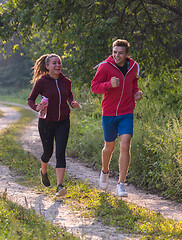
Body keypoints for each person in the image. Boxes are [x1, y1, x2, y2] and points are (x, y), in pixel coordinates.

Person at [91, 39, 143, 197]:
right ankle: (105, 171)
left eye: (120, 53)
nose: (116, 55)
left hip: (126, 112)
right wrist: (108, 84)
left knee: (125, 145)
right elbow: (94, 87)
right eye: (114, 52)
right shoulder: (105, 66)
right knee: (109, 147)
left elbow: (134, 82)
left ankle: (121, 184)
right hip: (109, 113)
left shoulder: (133, 66)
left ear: (127, 54)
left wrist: (136, 93)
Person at [27, 53, 79, 197]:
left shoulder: (66, 81)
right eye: (54, 63)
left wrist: (72, 102)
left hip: (63, 121)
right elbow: (30, 99)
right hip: (46, 122)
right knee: (48, 152)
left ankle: (59, 186)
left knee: (60, 152)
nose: (58, 66)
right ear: (47, 66)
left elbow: (69, 95)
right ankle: (43, 170)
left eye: (59, 63)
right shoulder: (42, 82)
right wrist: (36, 107)